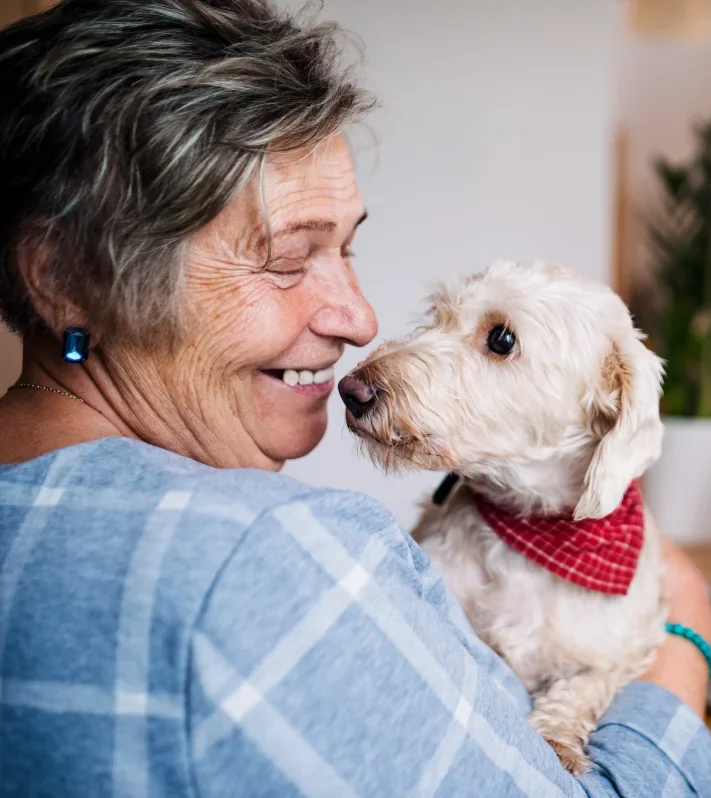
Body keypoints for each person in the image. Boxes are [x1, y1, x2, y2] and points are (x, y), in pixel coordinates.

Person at [0, 1, 709, 796]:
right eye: (286, 258)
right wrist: (688, 628)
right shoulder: (270, 556)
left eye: (347, 248)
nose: (363, 322)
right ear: (62, 279)